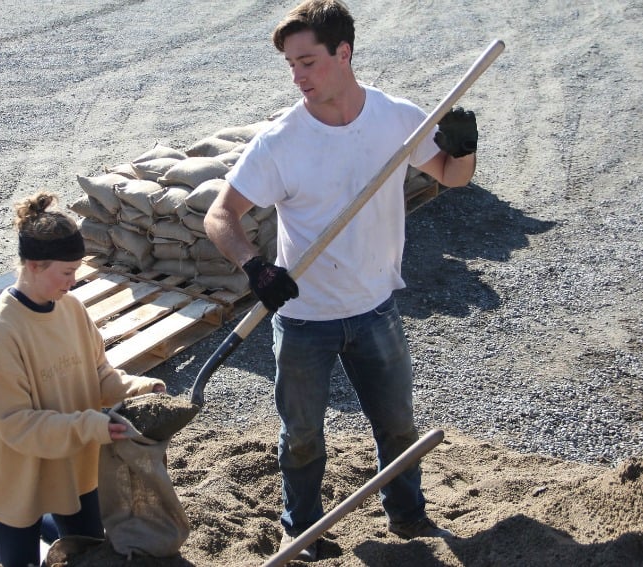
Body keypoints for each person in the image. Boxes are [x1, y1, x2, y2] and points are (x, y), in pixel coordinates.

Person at [204, 0, 478, 561]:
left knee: (398, 428)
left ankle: (408, 516)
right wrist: (255, 267)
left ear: (343, 52)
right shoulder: (280, 142)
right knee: (301, 437)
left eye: (307, 61)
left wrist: (465, 147)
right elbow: (219, 216)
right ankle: (301, 528)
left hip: (375, 307)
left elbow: (451, 177)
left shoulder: (397, 118)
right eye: (290, 65)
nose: (297, 76)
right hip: (305, 318)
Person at [0, 191, 167, 567]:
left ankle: (49, 523)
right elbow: (17, 425)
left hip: (74, 466)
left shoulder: (70, 310)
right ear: (35, 266)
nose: (73, 282)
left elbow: (98, 374)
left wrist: (139, 388)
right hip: (18, 477)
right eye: (67, 273)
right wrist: (92, 425)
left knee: (87, 549)